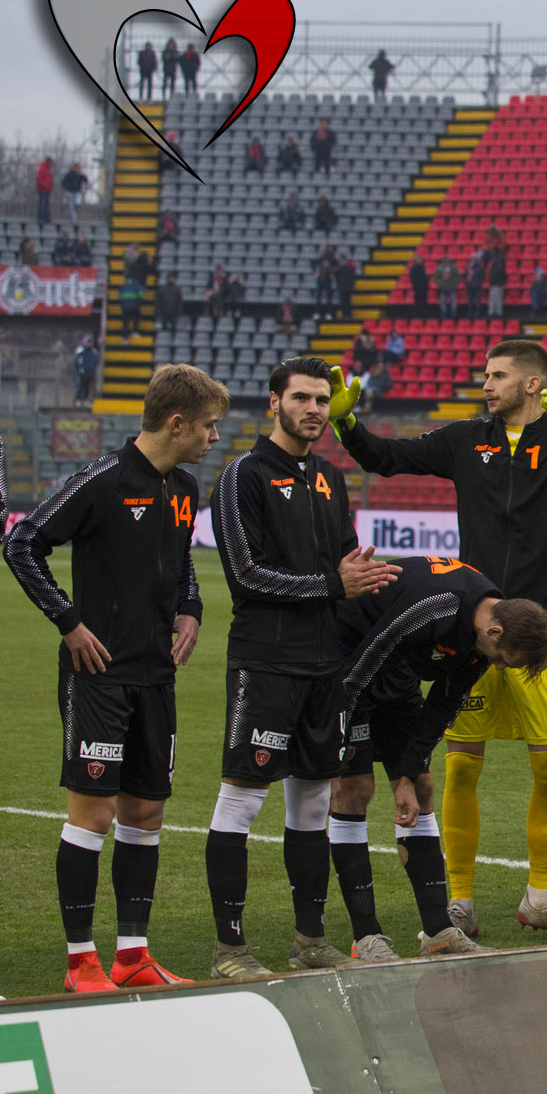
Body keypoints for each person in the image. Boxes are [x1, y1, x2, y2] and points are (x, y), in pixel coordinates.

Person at [330, 339, 547, 940]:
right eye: (485, 375)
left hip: (541, 631)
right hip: (473, 634)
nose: (484, 385)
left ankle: (540, 898)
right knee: (462, 767)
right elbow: (385, 457)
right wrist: (345, 422)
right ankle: (458, 902)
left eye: (497, 376)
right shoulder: (465, 438)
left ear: (531, 384)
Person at [6, 364, 228, 992]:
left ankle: (133, 955)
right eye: (208, 426)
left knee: (146, 812)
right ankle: (82, 962)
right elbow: (22, 543)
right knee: (94, 814)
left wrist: (191, 607)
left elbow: (182, 558)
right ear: (177, 422)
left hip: (156, 677)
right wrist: (69, 622)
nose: (214, 437)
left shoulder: (183, 484)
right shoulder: (104, 478)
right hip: (97, 676)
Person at [203, 359, 402, 979]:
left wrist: (361, 576)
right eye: (302, 398)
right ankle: (230, 949)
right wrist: (334, 581)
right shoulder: (242, 477)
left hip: (325, 666)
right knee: (240, 803)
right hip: (265, 661)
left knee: (313, 806)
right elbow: (246, 575)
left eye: (322, 399)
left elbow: (344, 564)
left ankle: (309, 939)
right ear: (274, 403)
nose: (314, 409)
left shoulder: (328, 477)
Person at [326, 556, 547, 960]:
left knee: (424, 788)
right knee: (355, 789)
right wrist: (336, 744)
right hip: (349, 659)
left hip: (395, 670)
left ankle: (439, 932)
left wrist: (409, 776)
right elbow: (362, 669)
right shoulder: (438, 607)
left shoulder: (485, 633)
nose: (498, 666)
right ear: (494, 630)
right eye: (501, 658)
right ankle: (365, 937)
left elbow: (442, 706)